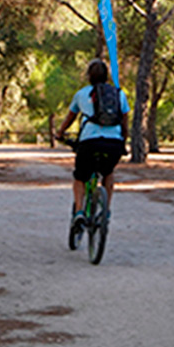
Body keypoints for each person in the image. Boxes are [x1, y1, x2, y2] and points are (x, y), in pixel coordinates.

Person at [55, 59, 130, 232]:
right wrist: (123, 139)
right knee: (108, 173)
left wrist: (60, 133)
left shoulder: (82, 94)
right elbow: (125, 120)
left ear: (89, 76)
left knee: (80, 177)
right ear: (106, 76)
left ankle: (79, 212)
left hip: (89, 143)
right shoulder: (119, 94)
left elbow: (70, 118)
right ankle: (106, 211)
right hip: (114, 143)